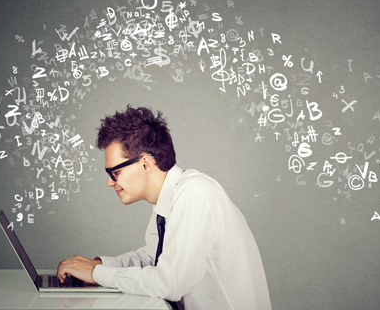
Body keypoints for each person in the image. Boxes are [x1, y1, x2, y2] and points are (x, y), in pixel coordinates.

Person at [56, 106, 272, 310]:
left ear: (145, 163)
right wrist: (100, 265)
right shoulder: (170, 198)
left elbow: (169, 283)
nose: (110, 182)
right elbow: (154, 259)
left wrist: (97, 274)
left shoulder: (194, 193)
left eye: (115, 172)